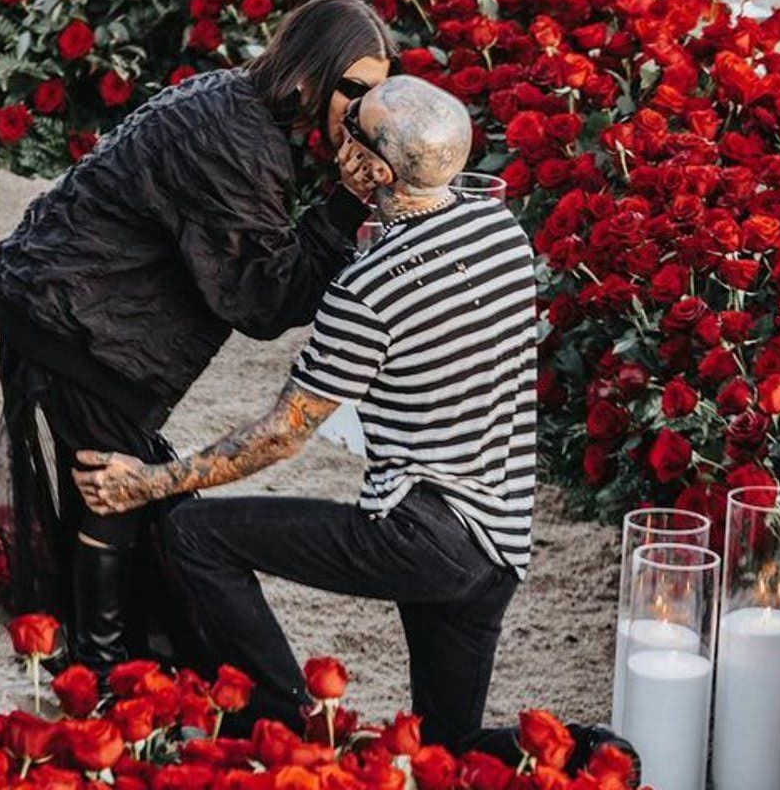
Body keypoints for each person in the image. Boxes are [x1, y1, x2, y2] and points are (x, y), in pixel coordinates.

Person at [73, 75, 537, 753]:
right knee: (450, 749)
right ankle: (603, 753)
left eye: (355, 127)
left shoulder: (368, 288)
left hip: (424, 533)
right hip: (500, 543)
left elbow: (281, 435)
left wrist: (148, 482)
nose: (339, 126)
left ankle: (293, 727)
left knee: (196, 534)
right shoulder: (501, 233)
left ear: (374, 169)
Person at [0, 0, 398, 675]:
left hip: (67, 303)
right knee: (114, 486)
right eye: (351, 89)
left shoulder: (242, 106)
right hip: (72, 318)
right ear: (306, 73)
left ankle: (102, 653)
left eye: (375, 96)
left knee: (131, 488)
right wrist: (346, 203)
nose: (361, 112)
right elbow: (261, 300)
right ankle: (101, 668)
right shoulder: (239, 141)